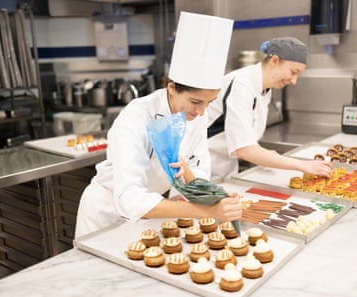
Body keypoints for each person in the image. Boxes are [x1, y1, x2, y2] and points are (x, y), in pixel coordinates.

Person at [75, 12, 242, 238]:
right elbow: (130, 197)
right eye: (195, 102)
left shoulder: (196, 116)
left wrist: (211, 195)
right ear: (171, 88)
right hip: (107, 215)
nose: (202, 112)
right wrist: (205, 210)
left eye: (209, 103)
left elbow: (199, 170)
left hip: (152, 214)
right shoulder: (136, 116)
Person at [207, 37, 333, 180]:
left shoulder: (265, 87)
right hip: (204, 165)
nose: (294, 81)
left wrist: (267, 155)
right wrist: (303, 165)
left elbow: (247, 139)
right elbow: (244, 150)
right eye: (293, 72)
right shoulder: (241, 84)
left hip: (224, 166)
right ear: (274, 61)